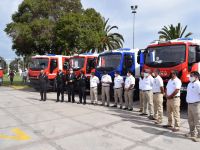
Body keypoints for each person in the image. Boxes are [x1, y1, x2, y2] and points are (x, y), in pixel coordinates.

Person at [185, 71, 200, 142]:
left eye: (191, 76)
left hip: (196, 105)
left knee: (197, 121)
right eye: (190, 75)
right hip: (189, 104)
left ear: (196, 77)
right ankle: (192, 133)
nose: (190, 77)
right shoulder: (189, 84)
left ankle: (199, 136)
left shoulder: (198, 84)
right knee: (190, 120)